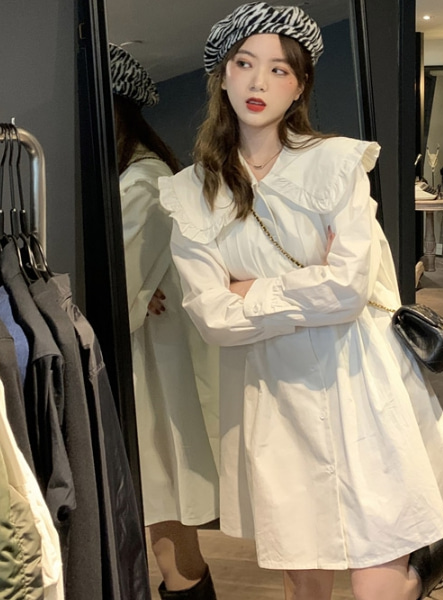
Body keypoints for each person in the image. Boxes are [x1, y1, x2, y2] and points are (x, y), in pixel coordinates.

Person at [158, 3, 443, 599]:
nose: (258, 81)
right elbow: (212, 317)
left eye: (278, 69)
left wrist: (251, 290)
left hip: (357, 380)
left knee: (379, 583)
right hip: (272, 397)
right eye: (244, 64)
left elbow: (348, 290)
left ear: (299, 86)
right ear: (223, 77)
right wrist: (307, 285)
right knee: (305, 580)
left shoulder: (336, 163)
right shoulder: (190, 194)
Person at [109, 44, 220, 600]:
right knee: (162, 518)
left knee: (166, 521)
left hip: (154, 371)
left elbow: (116, 281)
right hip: (145, 365)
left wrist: (130, 287)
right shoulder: (135, 178)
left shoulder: (143, 181)